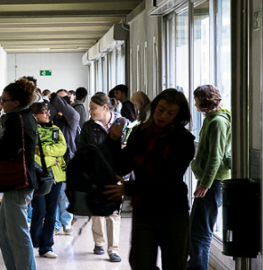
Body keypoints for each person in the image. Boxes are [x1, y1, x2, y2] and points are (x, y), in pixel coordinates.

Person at [104, 89, 195, 269]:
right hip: (144, 209)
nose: (163, 116)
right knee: (140, 262)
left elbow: (168, 178)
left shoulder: (184, 140)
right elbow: (123, 166)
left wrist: (128, 188)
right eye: (160, 109)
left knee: (175, 264)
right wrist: (113, 141)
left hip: (173, 211)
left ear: (179, 115)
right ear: (154, 107)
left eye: (170, 113)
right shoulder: (140, 132)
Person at [0, 78, 37, 270]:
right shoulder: (26, 117)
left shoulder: (16, 119)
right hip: (17, 184)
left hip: (19, 184)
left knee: (18, 236)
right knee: (5, 235)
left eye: (4, 100)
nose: (1, 103)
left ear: (15, 103)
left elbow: (10, 150)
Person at [188, 85, 232, 270]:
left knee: (201, 231)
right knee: (196, 229)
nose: (195, 103)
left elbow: (216, 156)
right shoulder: (210, 119)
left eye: (196, 99)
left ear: (204, 100)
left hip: (214, 183)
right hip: (209, 181)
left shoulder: (218, 122)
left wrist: (205, 183)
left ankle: (198, 267)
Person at [78, 93, 125, 263]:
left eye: (93, 108)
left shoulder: (122, 123)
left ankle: (113, 250)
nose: (90, 111)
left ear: (104, 107)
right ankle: (99, 242)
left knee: (113, 213)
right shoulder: (88, 127)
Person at [29, 102, 67, 259]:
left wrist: (42, 150)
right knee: (39, 211)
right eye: (43, 112)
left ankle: (46, 246)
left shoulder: (55, 130)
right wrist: (50, 160)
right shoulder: (32, 131)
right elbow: (32, 154)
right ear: (34, 115)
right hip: (39, 177)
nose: (47, 114)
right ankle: (34, 242)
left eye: (47, 112)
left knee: (52, 212)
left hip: (56, 177)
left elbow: (62, 149)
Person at [48, 89, 80, 234]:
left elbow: (69, 112)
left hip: (68, 160)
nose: (60, 102)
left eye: (64, 99)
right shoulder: (50, 118)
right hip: (52, 161)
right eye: (58, 99)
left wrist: (56, 98)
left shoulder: (73, 117)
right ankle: (54, 223)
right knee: (53, 194)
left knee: (66, 194)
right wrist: (54, 101)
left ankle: (66, 221)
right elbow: (48, 112)